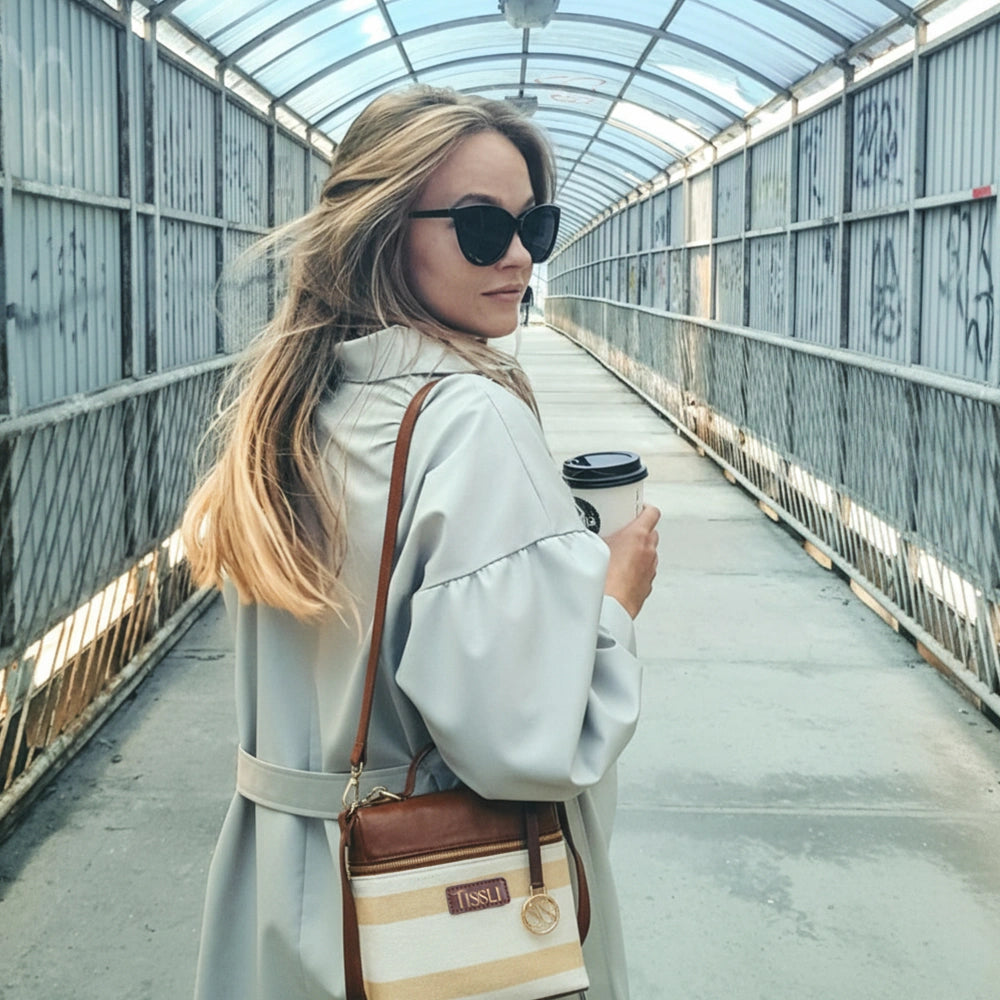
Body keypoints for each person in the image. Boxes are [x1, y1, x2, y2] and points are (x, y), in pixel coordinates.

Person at [182, 85, 660, 1000]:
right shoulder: (471, 418)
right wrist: (612, 607)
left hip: (282, 888)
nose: (520, 256)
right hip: (419, 914)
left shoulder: (297, 407)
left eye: (537, 225)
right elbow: (526, 742)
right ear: (383, 228)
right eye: (481, 228)